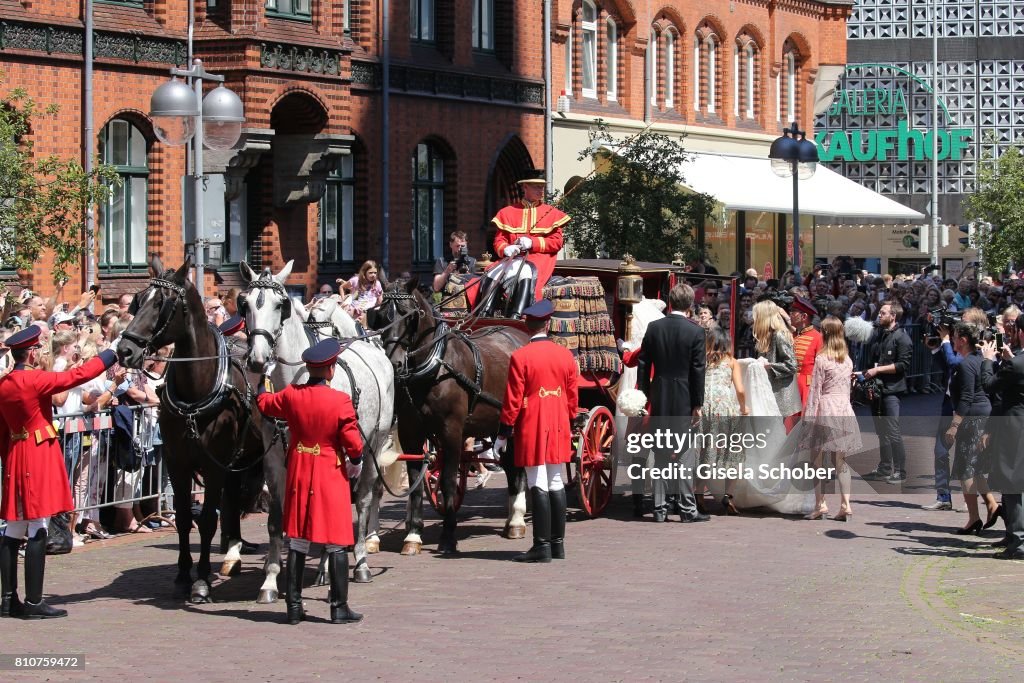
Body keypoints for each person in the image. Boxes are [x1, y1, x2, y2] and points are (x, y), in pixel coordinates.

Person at [0, 325, 117, 619]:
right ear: (33, 352)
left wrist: (9, 456)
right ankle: (34, 601)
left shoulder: (5, 383)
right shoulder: (34, 379)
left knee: (14, 529)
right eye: (38, 348)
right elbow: (76, 376)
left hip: (16, 454)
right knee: (38, 525)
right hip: (37, 455)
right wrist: (110, 354)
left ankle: (7, 599)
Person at [255, 338, 365, 625]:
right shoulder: (339, 400)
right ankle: (338, 606)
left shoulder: (292, 395)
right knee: (337, 541)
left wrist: (265, 376)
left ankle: (293, 607)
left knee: (299, 541)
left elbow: (264, 403)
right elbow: (352, 442)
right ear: (330, 370)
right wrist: (356, 460)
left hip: (300, 468)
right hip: (329, 470)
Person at [495, 300, 579, 562]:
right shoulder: (565, 355)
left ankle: (541, 546)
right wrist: (570, 418)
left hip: (532, 423)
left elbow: (512, 400)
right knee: (555, 481)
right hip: (558, 422)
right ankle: (558, 544)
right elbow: (572, 398)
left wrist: (503, 432)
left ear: (527, 327)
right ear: (548, 324)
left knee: (536, 482)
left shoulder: (520, 357)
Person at [637, 284, 709, 523]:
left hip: (659, 392)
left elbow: (644, 363)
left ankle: (659, 508)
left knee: (660, 452)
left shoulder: (655, 327)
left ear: (670, 302)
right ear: (689, 305)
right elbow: (698, 370)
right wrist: (697, 403)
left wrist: (645, 393)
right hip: (684, 394)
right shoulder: (696, 332)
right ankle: (687, 509)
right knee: (685, 453)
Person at [479, 169, 569, 319]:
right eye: (536, 187)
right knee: (493, 273)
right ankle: (484, 314)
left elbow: (557, 242)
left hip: (538, 259)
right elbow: (499, 241)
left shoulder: (551, 213)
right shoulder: (507, 212)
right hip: (512, 258)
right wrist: (505, 249)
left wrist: (532, 242)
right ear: (524, 187)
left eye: (542, 187)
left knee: (525, 272)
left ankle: (519, 316)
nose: (540, 190)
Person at [803, 317, 862, 521]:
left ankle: (821, 504)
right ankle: (846, 504)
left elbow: (815, 391)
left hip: (826, 407)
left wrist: (809, 418)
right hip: (844, 408)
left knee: (817, 460)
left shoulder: (822, 359)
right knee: (841, 460)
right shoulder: (847, 360)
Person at [945, 322, 998, 535]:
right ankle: (993, 505)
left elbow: (966, 398)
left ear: (963, 340)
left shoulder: (966, 365)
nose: (952, 339)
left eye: (954, 336)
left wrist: (954, 426)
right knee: (975, 468)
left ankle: (974, 518)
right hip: (983, 415)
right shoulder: (980, 361)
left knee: (964, 468)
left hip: (973, 418)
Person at [981, 318, 1024, 559]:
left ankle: (1018, 542)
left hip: (1014, 428)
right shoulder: (1016, 362)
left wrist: (988, 360)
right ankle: (1012, 536)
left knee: (1012, 482)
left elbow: (989, 385)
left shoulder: (1017, 364)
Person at [698, 326, 748, 515]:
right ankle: (728, 496)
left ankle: (699, 494)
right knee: (733, 452)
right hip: (725, 408)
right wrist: (744, 408)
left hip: (705, 407)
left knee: (704, 451)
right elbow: (741, 390)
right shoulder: (731, 362)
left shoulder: (703, 361)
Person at [862, 302, 913, 484]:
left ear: (893, 316)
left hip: (892, 391)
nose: (879, 316)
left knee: (892, 431)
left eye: (883, 313)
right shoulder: (879, 336)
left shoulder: (902, 338)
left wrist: (878, 370)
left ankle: (900, 471)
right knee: (881, 431)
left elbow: (902, 365)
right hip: (877, 390)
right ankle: (884, 468)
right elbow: (872, 360)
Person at [753, 300, 801, 434]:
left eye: (756, 315)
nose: (754, 319)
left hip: (781, 395)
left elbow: (791, 365)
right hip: (770, 392)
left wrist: (769, 366)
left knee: (776, 435)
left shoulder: (779, 335)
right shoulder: (766, 335)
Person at [790, 297, 823, 408]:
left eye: (793, 312)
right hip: (792, 385)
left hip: (807, 387)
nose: (790, 315)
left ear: (804, 316)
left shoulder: (818, 338)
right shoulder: (792, 335)